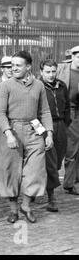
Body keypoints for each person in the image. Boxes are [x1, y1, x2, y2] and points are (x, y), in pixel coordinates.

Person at [0, 51, 54, 224]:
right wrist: (8, 133)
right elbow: (0, 113)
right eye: (12, 65)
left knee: (35, 170)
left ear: (28, 67)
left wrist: (48, 133)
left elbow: (44, 111)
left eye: (18, 65)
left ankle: (26, 205)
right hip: (11, 131)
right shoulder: (5, 86)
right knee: (10, 171)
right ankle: (13, 210)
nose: (14, 68)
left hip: (34, 130)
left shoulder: (38, 85)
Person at [40, 60, 71, 212]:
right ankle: (51, 197)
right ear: (41, 72)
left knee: (58, 161)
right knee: (50, 164)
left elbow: (66, 106)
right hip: (45, 127)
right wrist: (43, 131)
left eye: (53, 71)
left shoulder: (62, 85)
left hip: (61, 126)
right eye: (47, 72)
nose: (51, 75)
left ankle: (39, 185)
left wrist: (65, 124)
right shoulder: (37, 87)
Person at [56, 45, 79, 195]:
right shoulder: (63, 70)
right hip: (69, 112)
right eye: (78, 56)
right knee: (72, 148)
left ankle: (73, 180)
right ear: (73, 56)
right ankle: (69, 183)